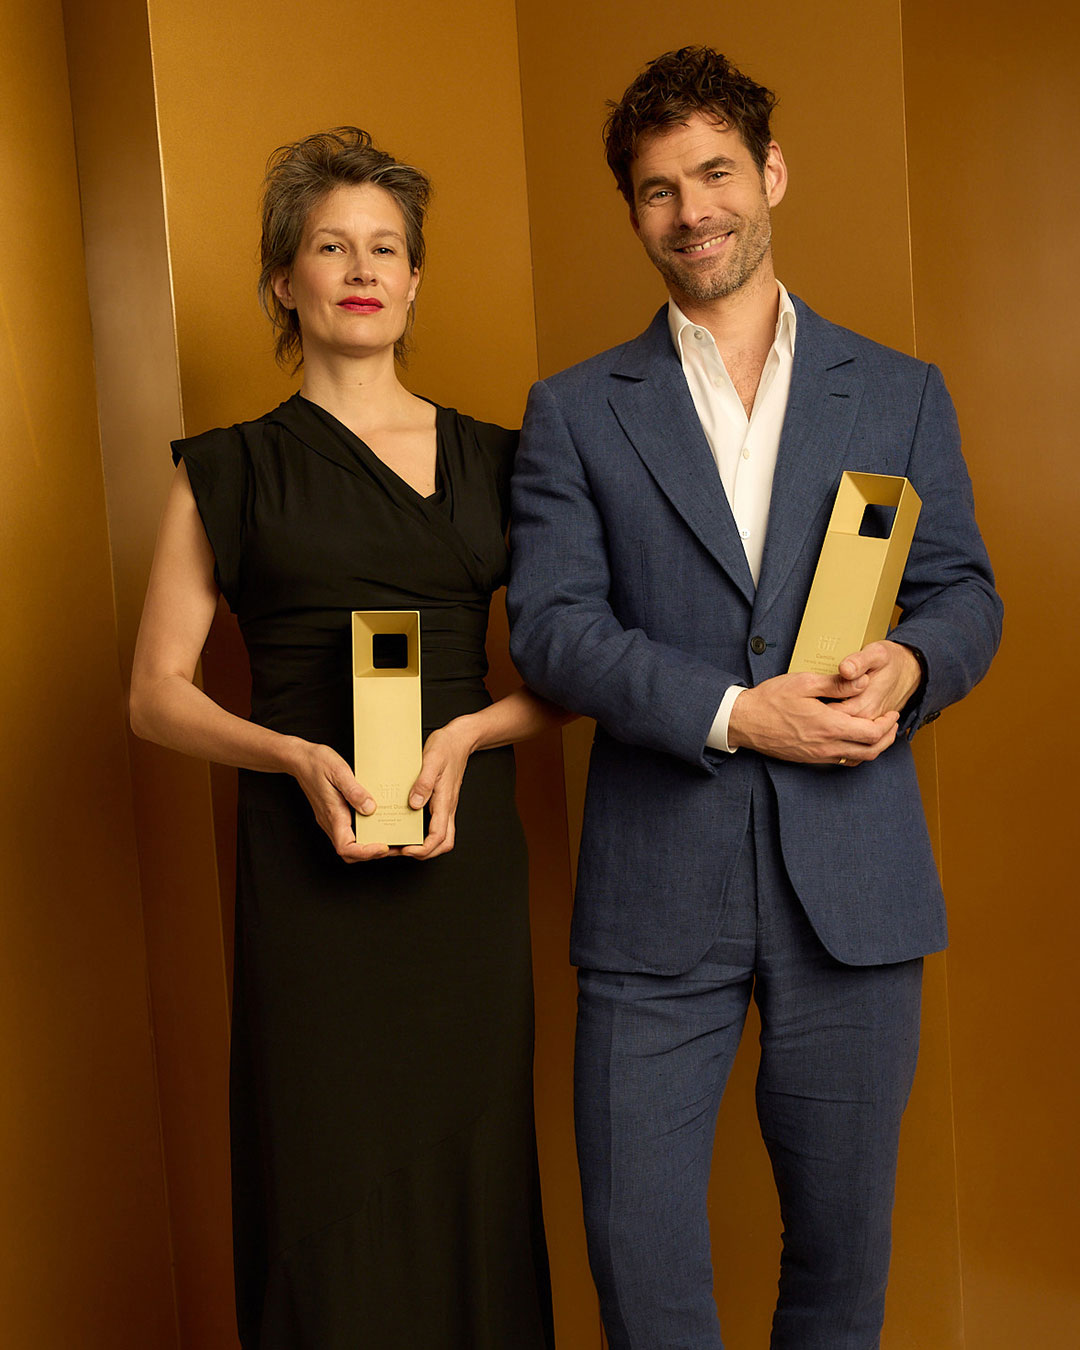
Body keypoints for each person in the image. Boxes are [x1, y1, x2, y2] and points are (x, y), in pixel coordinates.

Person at [507, 46, 1001, 1350]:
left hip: (857, 882)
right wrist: (737, 711)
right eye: (659, 189)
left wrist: (915, 661)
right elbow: (551, 630)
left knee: (842, 1265)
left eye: (716, 172)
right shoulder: (572, 413)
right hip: (655, 886)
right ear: (635, 213)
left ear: (771, 174)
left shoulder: (898, 393)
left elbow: (963, 592)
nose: (694, 210)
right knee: (643, 1266)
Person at [130, 127, 558, 1349]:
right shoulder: (227, 472)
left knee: (470, 1160)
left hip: (457, 870)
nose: (361, 269)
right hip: (303, 868)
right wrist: (290, 755)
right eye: (331, 246)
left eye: (386, 248)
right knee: (322, 1174)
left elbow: (570, 682)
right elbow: (155, 692)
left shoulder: (503, 463)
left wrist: (473, 733)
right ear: (285, 279)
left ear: (416, 279)